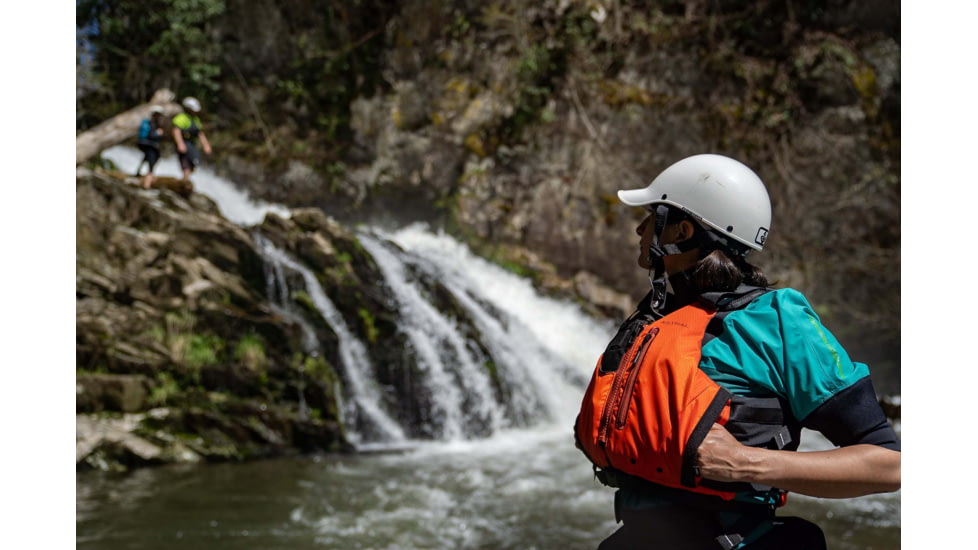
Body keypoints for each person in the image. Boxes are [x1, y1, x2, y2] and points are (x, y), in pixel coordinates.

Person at [575, 154, 900, 549]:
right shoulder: (658, 318)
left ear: (682, 231)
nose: (640, 229)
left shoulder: (776, 321)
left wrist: (747, 463)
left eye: (652, 217)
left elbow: (888, 465)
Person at [171, 96, 213, 181]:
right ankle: (185, 181)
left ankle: (185, 180)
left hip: (192, 145)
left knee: (194, 163)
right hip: (184, 143)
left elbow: (200, 133)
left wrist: (206, 145)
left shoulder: (195, 119)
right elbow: (176, 131)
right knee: (186, 165)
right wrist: (180, 143)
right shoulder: (181, 117)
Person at [136, 105, 166, 189]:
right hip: (150, 145)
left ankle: (138, 173)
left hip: (144, 144)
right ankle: (147, 184)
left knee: (147, 157)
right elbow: (151, 135)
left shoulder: (150, 123)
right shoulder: (153, 124)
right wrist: (158, 133)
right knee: (151, 163)